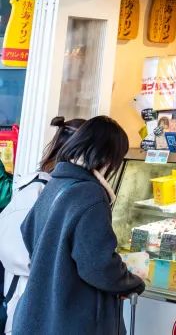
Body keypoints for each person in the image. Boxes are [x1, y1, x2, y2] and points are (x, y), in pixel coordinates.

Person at [13, 115, 144, 334]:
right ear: (108, 157)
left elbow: (28, 232)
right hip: (74, 321)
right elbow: (98, 266)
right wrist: (132, 282)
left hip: (38, 315)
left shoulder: (56, 183)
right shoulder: (90, 194)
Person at [0, 117, 84, 334]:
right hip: (26, 304)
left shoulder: (58, 188)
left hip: (41, 305)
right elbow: (14, 252)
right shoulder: (39, 189)